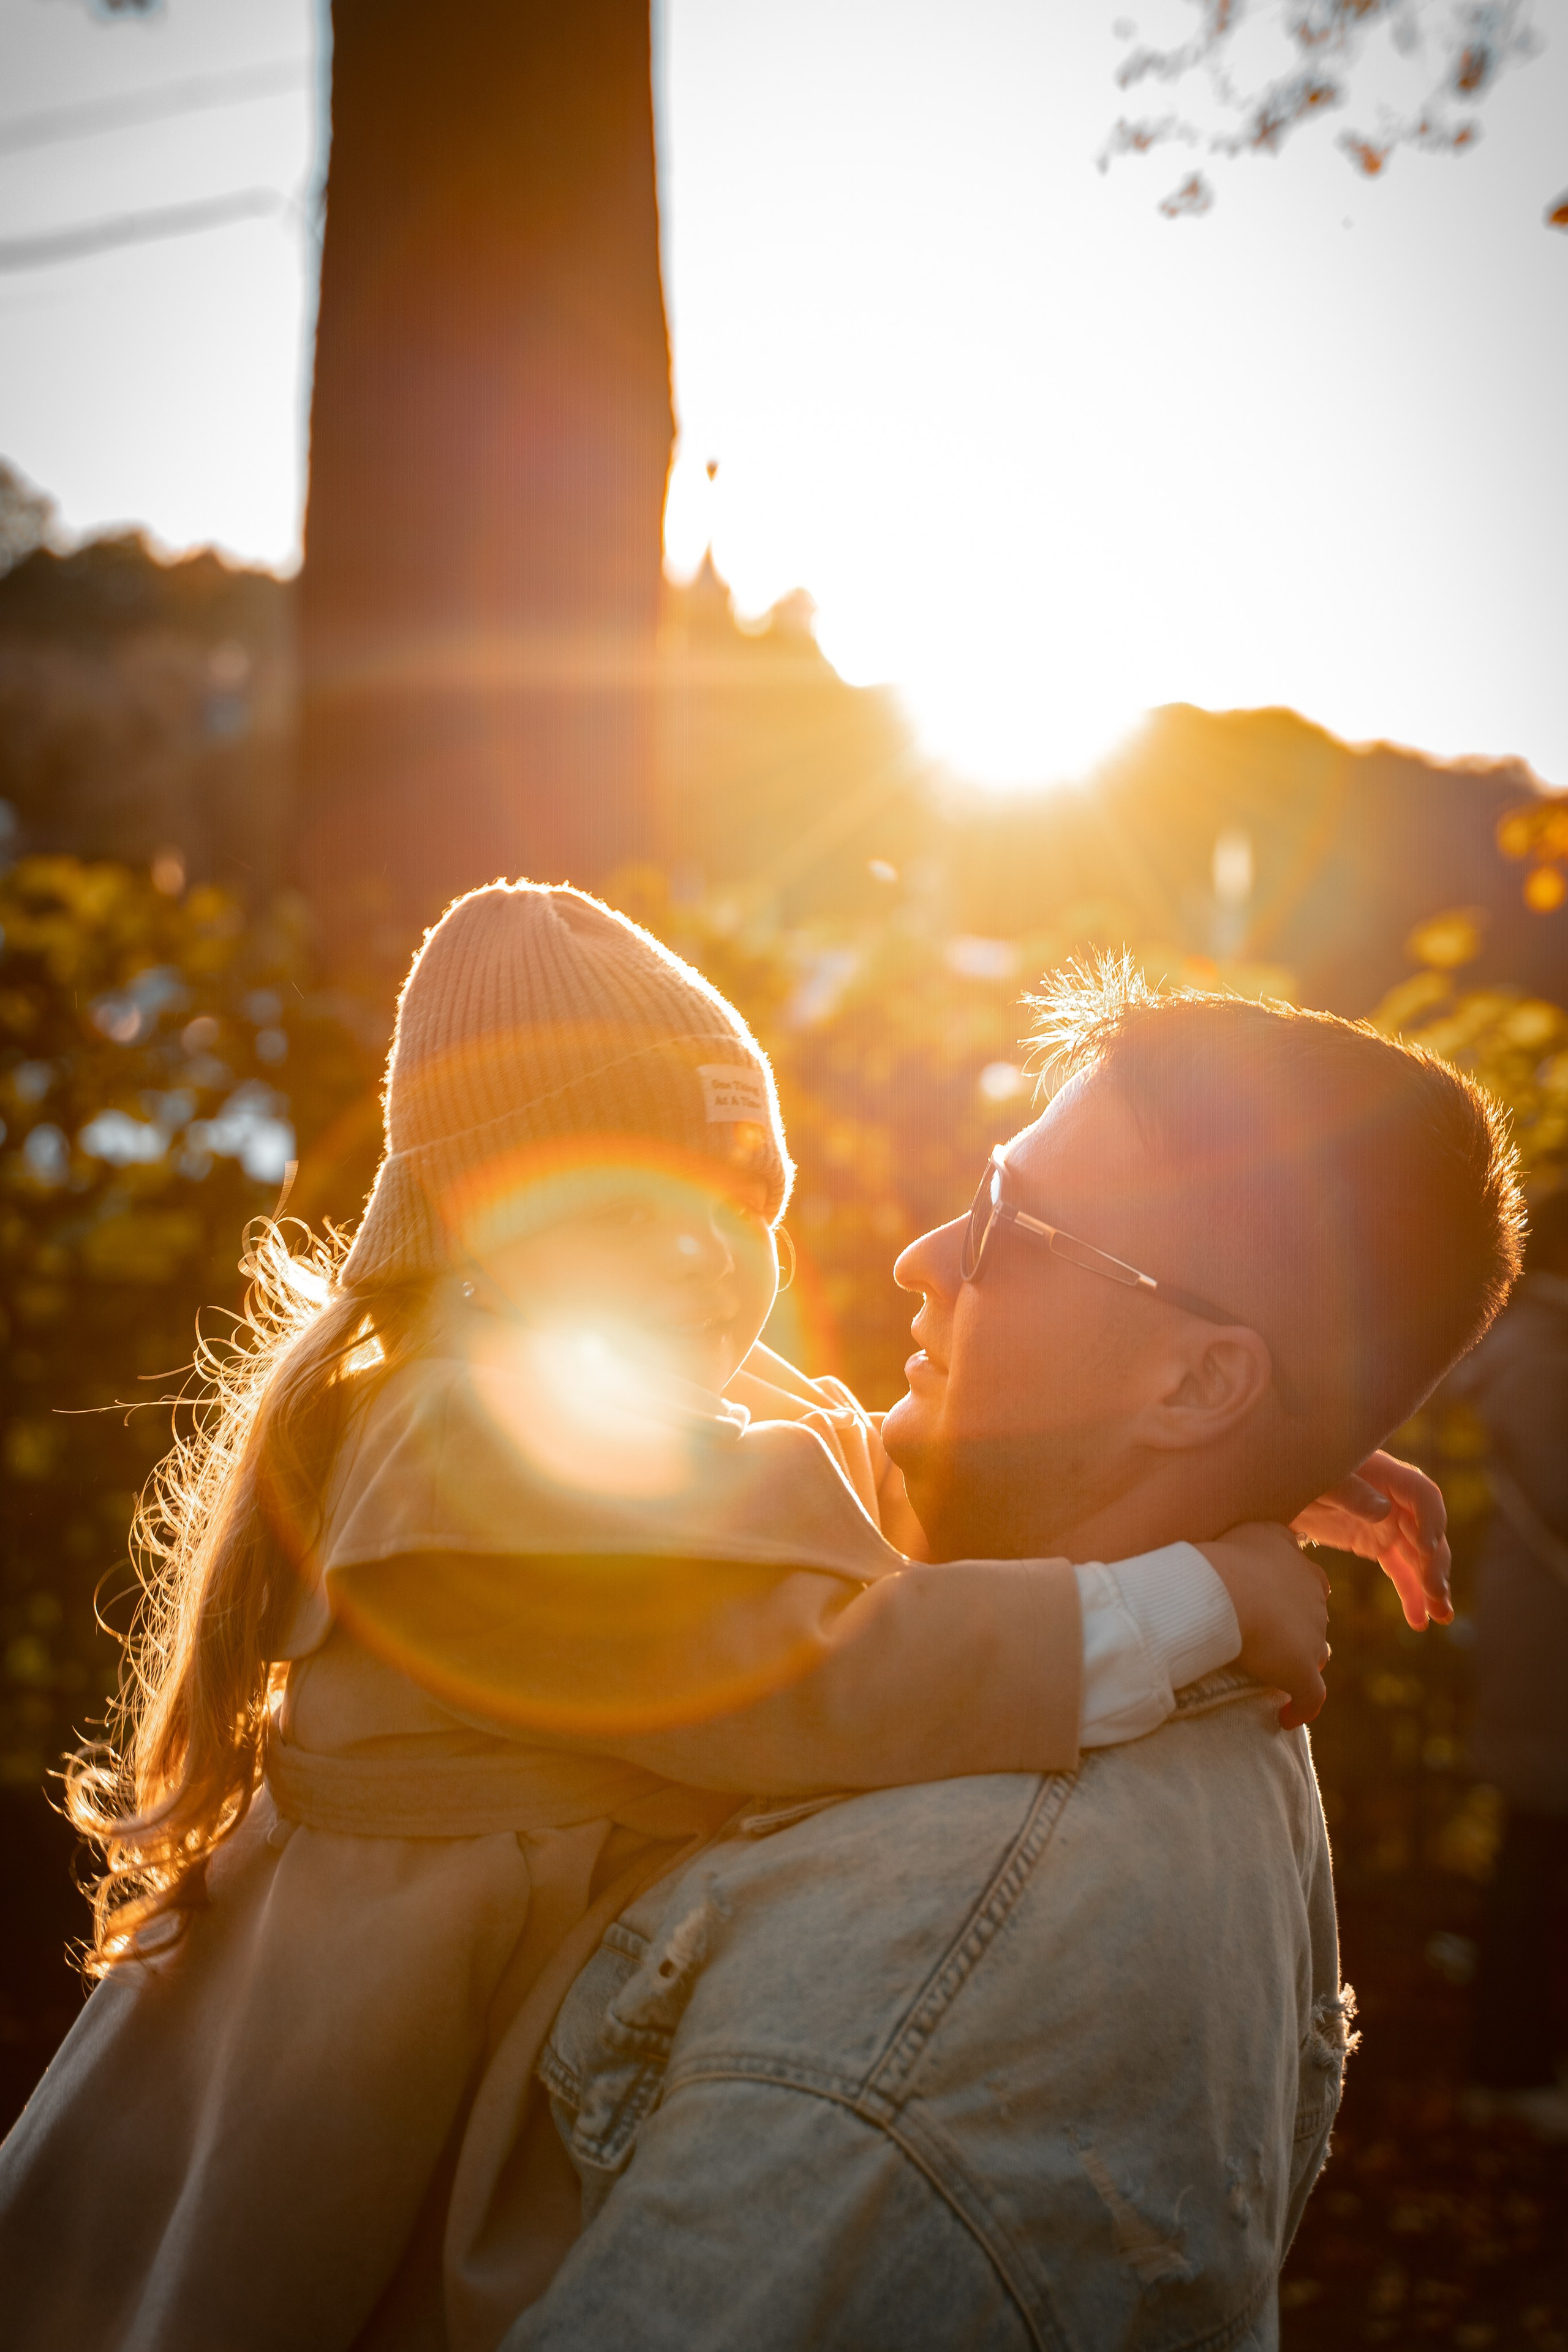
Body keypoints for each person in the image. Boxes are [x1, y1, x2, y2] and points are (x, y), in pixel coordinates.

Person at [0, 887, 1387, 2352]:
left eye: (742, 1207)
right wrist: (1197, 1598)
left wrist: (1244, 1457)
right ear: (477, 1228)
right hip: (349, 2068)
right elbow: (825, 1676)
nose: (703, 1257)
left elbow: (847, 1479)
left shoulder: (617, 1395)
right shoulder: (468, 1448)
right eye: (626, 1208)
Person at [507, 966, 1523, 2352]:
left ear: (1196, 1385)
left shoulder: (923, 1986)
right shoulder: (1219, 1715)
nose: (926, 1256)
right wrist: (1253, 1492)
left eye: (1005, 1224)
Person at [1449, 1183, 1568, 2136]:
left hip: (1544, 1628)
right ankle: (1509, 2064)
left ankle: (1522, 2050)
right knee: (1539, 1844)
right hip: (1548, 1638)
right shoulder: (1541, 1352)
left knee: (1542, 1844)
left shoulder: (1539, 1345)